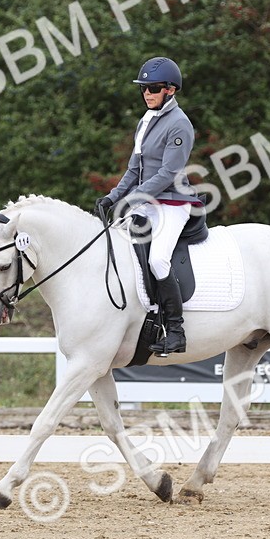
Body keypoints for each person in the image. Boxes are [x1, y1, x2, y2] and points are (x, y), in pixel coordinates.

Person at [96, 57, 201, 356]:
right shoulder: (145, 121)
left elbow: (167, 174)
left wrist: (134, 199)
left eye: (153, 88)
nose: (147, 94)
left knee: (158, 261)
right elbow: (134, 169)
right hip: (147, 200)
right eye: (143, 88)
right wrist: (114, 197)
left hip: (173, 202)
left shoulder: (179, 124)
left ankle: (176, 330)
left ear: (170, 90)